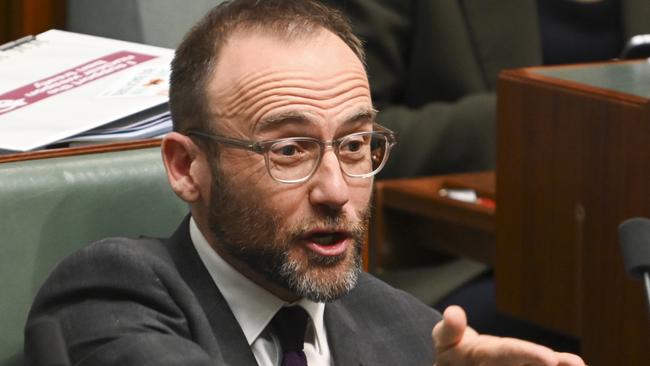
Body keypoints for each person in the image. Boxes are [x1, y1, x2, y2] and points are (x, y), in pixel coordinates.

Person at [24, 1, 586, 365]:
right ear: (186, 168)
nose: (336, 191)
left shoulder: (414, 330)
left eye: (354, 145)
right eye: (289, 151)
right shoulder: (113, 292)